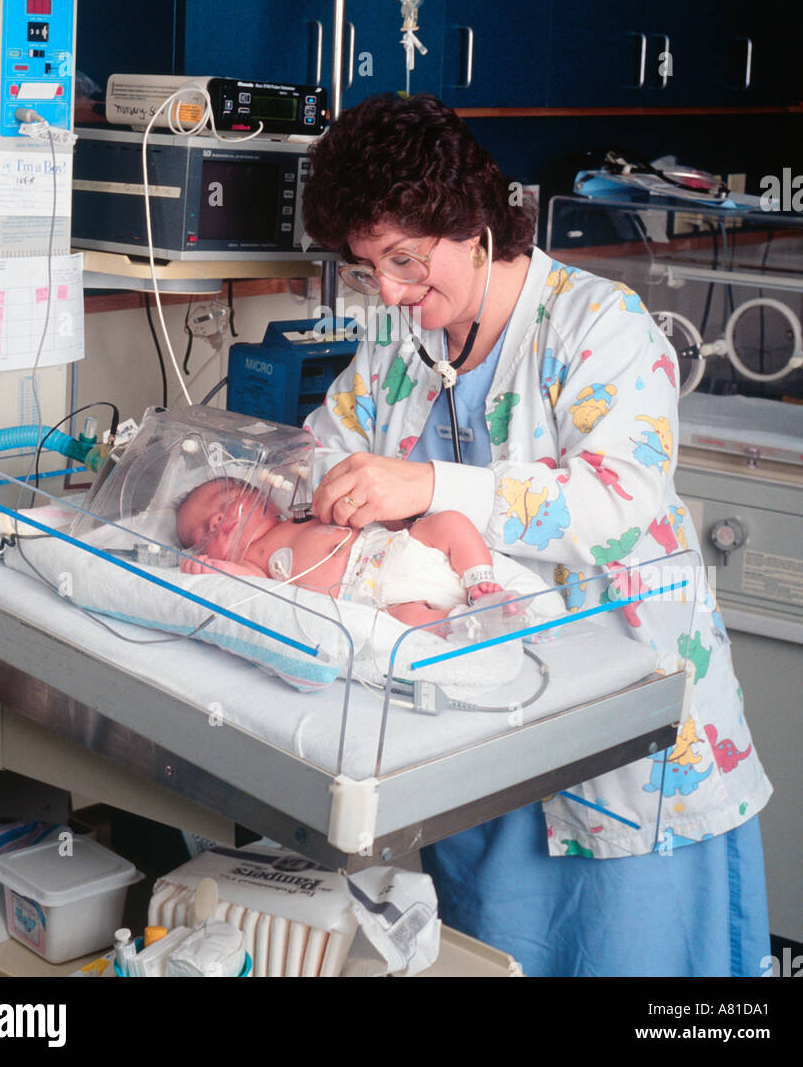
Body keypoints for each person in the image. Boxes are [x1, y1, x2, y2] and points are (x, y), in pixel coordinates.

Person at [299, 91, 773, 978]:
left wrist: (431, 484)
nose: (394, 294)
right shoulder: (399, 349)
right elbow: (321, 460)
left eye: (406, 262)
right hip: (477, 738)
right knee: (493, 953)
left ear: (473, 224)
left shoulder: (602, 327)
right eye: (369, 271)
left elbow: (614, 504)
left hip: (624, 747)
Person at [175, 476, 509, 631]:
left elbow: (355, 508)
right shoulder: (253, 563)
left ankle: (480, 579)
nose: (216, 519)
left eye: (225, 502)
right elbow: (252, 586)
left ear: (266, 497)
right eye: (203, 533)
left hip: (394, 550)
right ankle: (462, 623)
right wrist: (213, 569)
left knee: (450, 522)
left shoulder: (300, 513)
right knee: (405, 624)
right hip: (377, 602)